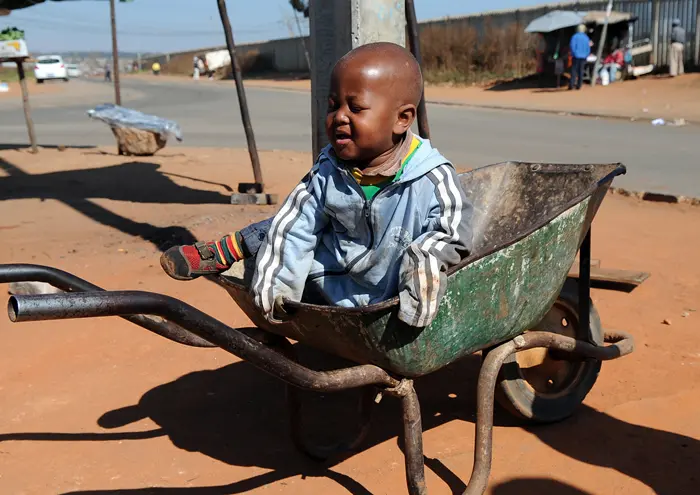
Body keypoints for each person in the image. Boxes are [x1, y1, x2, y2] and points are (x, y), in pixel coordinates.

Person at [160, 42, 473, 327]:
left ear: (402, 119)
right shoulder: (328, 169)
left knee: (279, 224)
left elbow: (452, 232)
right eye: (333, 105)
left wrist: (422, 270)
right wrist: (278, 290)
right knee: (283, 224)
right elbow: (293, 228)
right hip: (334, 278)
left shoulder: (432, 177)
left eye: (356, 107)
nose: (339, 117)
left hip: (393, 278)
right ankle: (227, 249)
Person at [569, 24, 591, 90]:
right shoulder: (586, 37)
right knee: (581, 71)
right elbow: (588, 48)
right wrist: (586, 54)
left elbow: (572, 46)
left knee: (574, 71)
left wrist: (574, 53)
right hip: (583, 57)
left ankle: (572, 85)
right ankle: (579, 85)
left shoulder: (575, 37)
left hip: (576, 56)